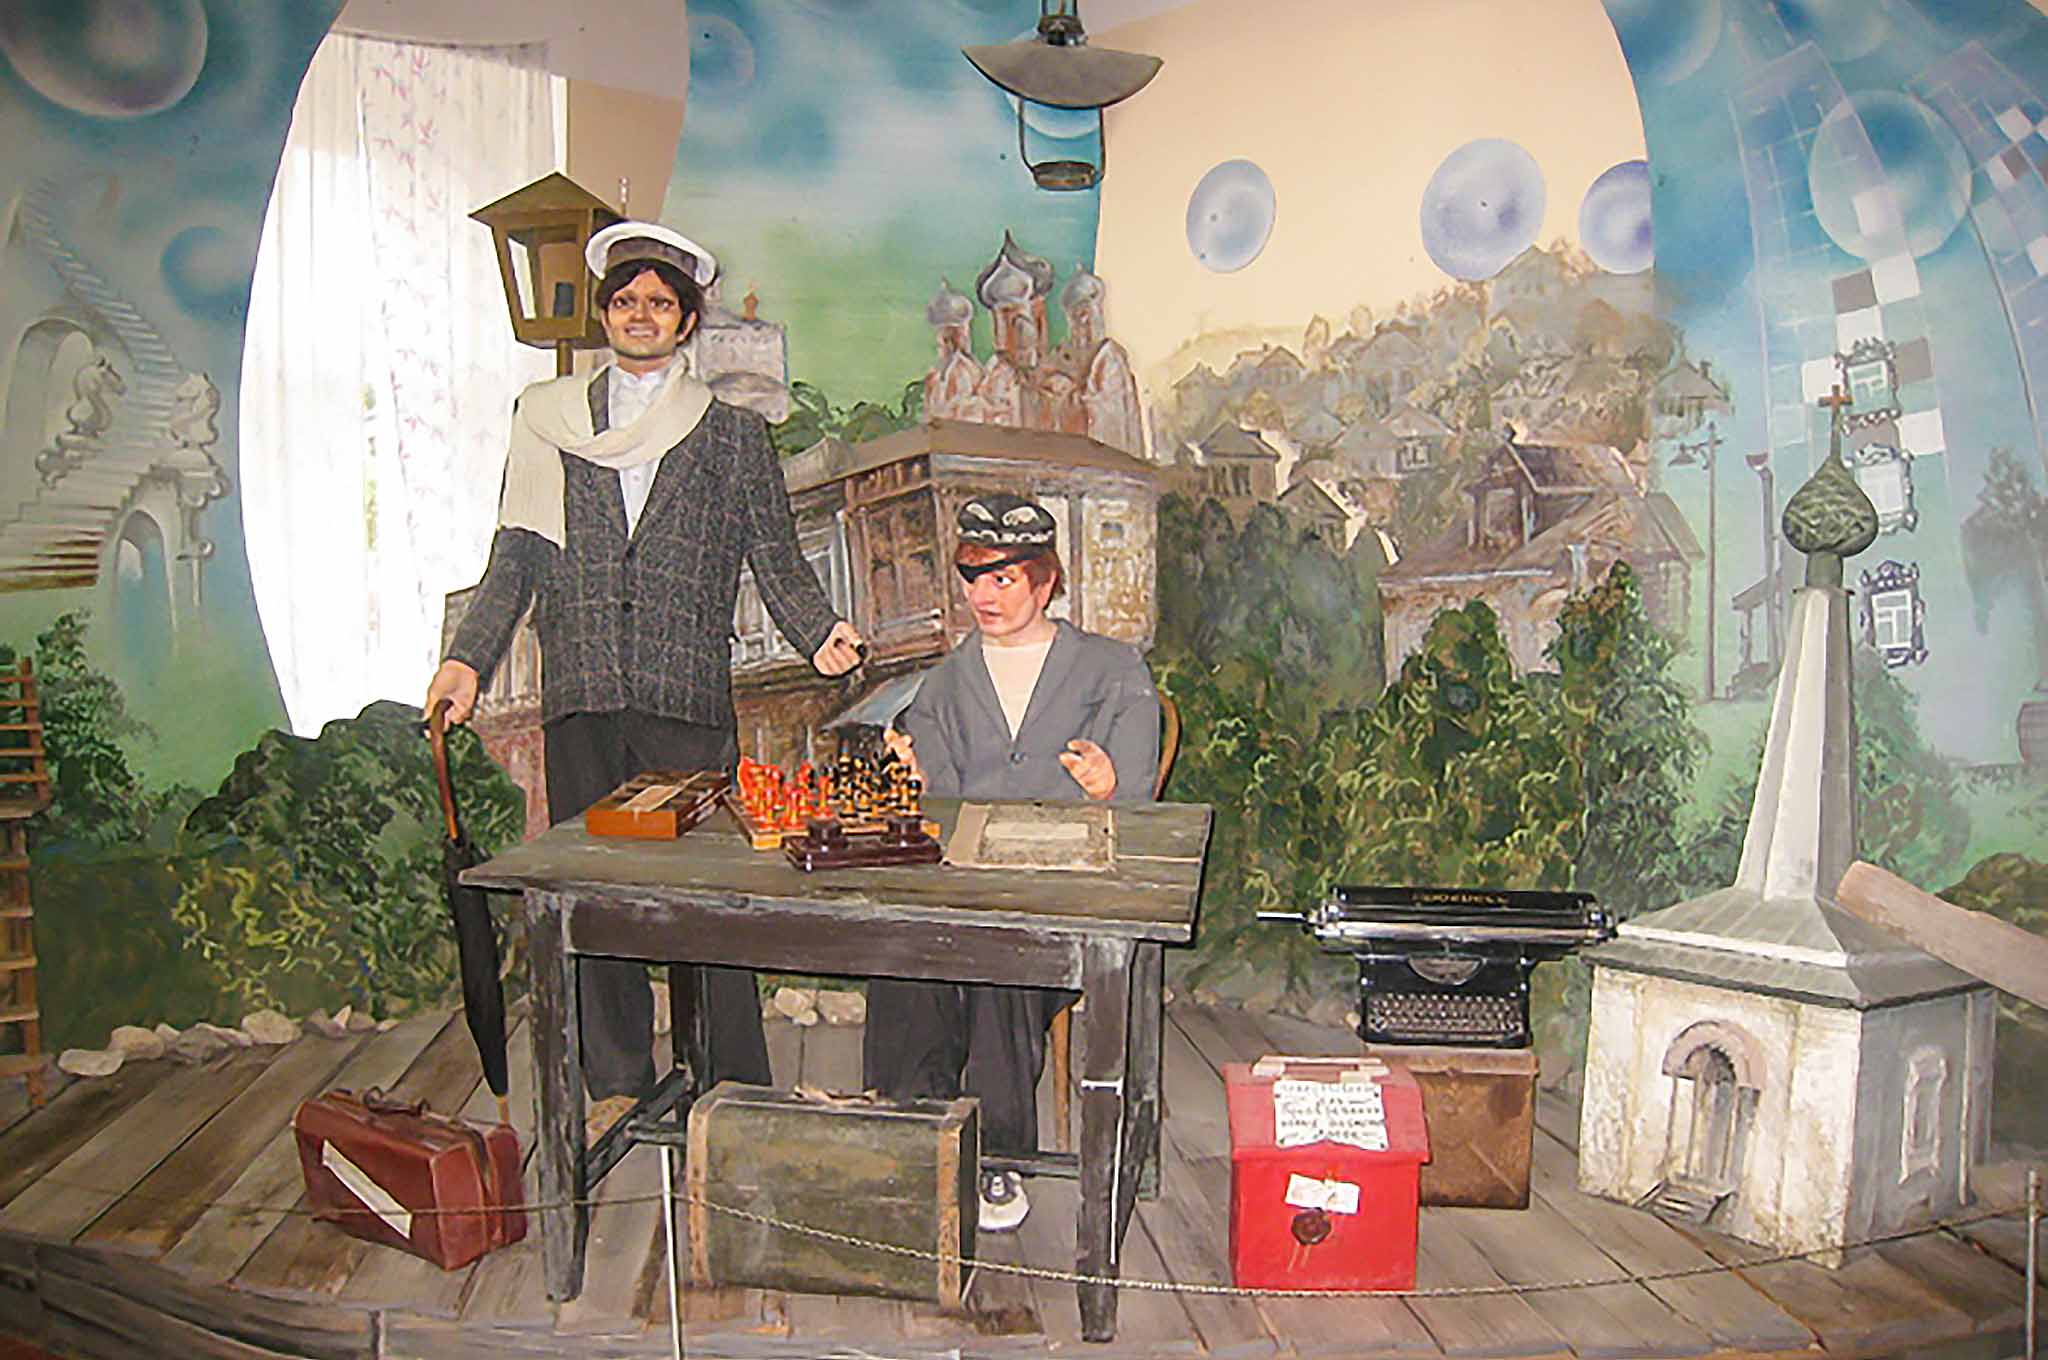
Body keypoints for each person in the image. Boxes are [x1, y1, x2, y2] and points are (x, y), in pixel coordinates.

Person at [427, 220, 864, 1135]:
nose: (640, 316)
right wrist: (466, 660)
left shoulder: (732, 435)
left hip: (684, 696)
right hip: (582, 690)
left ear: (686, 320)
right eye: (625, 301)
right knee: (596, 899)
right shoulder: (547, 422)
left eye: (659, 304)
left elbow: (775, 554)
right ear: (605, 314)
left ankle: (732, 1083)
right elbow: (515, 554)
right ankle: (616, 1083)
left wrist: (819, 631)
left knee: (709, 902)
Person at [863, 492, 1159, 1230]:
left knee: (1000, 959)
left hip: (1056, 898)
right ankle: (914, 1135)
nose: (983, 595)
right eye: (972, 577)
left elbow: (1141, 805)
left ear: (1045, 580)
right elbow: (936, 809)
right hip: (964, 888)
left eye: (1003, 578)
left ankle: (998, 1155)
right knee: (903, 953)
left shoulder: (1112, 670)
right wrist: (914, 780)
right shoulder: (943, 684)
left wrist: (1109, 787)